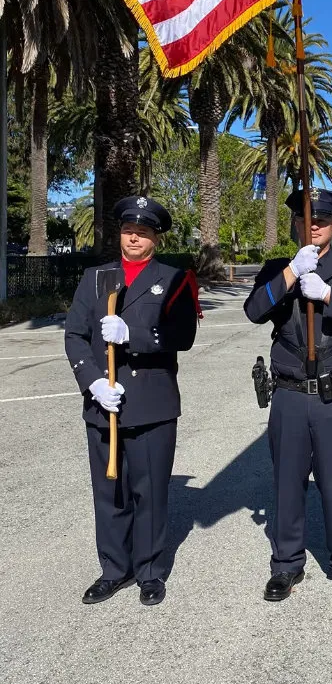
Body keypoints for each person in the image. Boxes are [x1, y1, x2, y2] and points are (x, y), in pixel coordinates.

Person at [244, 188, 332, 603]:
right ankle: (286, 565)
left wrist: (327, 294)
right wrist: (290, 274)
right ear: (295, 224)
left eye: (322, 219)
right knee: (287, 483)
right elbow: (254, 311)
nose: (314, 225)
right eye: (306, 219)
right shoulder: (276, 269)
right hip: (288, 394)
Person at [65, 196, 200, 607]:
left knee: (150, 493)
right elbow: (73, 336)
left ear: (154, 238)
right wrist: (92, 383)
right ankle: (113, 570)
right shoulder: (95, 278)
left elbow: (183, 337)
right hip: (104, 403)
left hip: (152, 404)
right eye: (128, 231)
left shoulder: (175, 279)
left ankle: (150, 571)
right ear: (120, 234)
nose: (134, 238)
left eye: (143, 232)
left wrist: (133, 337)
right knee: (109, 495)